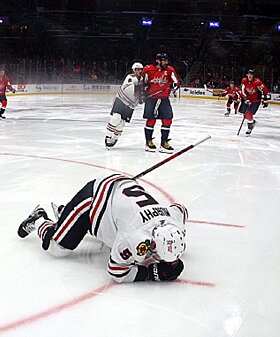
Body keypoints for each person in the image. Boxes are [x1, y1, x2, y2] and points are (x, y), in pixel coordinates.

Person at [17, 174, 188, 283]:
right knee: (57, 248)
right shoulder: (133, 237)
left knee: (109, 233)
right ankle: (39, 219)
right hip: (95, 196)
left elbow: (180, 209)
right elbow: (117, 271)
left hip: (122, 189)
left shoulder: (174, 221)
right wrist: (149, 274)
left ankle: (66, 216)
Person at [142, 53, 180, 153]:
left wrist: (173, 86)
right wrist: (142, 92)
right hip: (151, 99)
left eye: (167, 60)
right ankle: (148, 142)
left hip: (164, 99)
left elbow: (176, 82)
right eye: (164, 60)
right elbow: (142, 82)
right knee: (151, 120)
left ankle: (164, 143)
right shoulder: (148, 69)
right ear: (158, 61)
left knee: (168, 119)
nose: (166, 63)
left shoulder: (169, 70)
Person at [104, 62, 144, 149]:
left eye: (141, 69)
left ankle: (115, 138)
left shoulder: (143, 80)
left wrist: (142, 97)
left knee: (122, 123)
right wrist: (140, 96)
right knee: (116, 118)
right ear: (134, 70)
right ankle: (108, 136)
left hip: (130, 105)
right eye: (138, 69)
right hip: (121, 100)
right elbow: (130, 90)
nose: (140, 71)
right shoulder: (130, 77)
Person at [239, 69, 269, 136]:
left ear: (253, 75)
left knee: (249, 113)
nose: (250, 76)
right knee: (245, 115)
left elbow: (264, 90)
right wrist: (246, 98)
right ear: (247, 75)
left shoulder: (257, 82)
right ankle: (252, 122)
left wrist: (265, 99)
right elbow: (242, 90)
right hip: (247, 99)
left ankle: (249, 128)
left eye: (251, 74)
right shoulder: (244, 80)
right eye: (249, 74)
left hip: (255, 100)